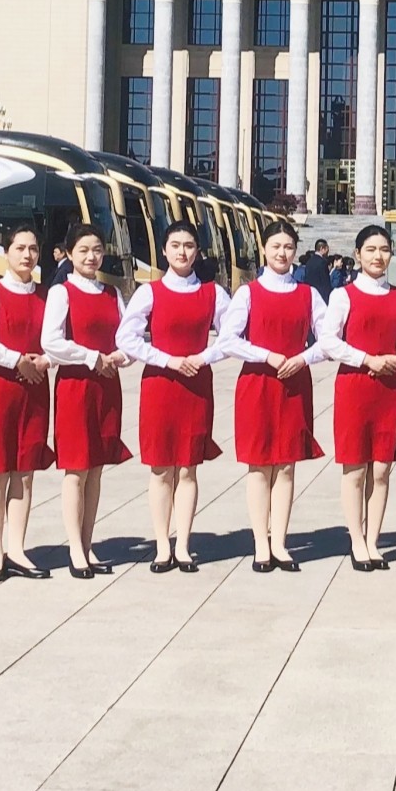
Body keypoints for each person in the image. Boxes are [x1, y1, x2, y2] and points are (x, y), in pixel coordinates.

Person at [215, 220, 325, 572]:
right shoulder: (248, 293)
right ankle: (260, 543)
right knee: (260, 465)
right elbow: (228, 340)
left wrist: (303, 358)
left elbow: (328, 340)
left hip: (294, 384)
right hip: (259, 384)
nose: (282, 253)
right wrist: (267, 355)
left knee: (287, 465)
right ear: (264, 249)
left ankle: (280, 541)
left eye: (288, 247)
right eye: (276, 246)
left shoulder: (308, 294)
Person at [118, 220, 226, 574]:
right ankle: (162, 544)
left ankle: (183, 544)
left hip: (196, 385)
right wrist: (168, 360)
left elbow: (232, 336)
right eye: (176, 245)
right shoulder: (149, 293)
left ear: (198, 251)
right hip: (161, 386)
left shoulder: (213, 293)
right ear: (164, 251)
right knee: (162, 468)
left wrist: (203, 357)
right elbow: (127, 338)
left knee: (189, 468)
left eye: (189, 245)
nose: (182, 251)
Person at [0, 221, 56, 583]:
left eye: (33, 249)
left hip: (35, 389)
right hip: (1, 388)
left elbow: (58, 339)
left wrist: (44, 361)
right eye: (20, 248)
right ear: (6, 252)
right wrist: (16, 359)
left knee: (25, 471)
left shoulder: (47, 295)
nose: (27, 255)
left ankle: (17, 548)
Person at [42, 224, 134, 577]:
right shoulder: (61, 292)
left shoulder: (112, 293)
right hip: (76, 385)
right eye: (83, 250)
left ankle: (88, 542)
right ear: (69, 253)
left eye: (96, 250)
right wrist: (92, 356)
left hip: (107, 385)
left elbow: (128, 336)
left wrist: (120, 356)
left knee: (96, 467)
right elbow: (52, 341)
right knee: (76, 468)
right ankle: (74, 549)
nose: (91, 257)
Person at [315, 223, 396, 570]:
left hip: (389, 388)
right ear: (357, 254)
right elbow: (328, 340)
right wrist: (367, 359)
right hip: (355, 386)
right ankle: (356, 539)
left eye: (384, 249)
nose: (377, 256)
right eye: (370, 250)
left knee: (381, 469)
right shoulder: (344, 295)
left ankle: (373, 539)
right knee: (355, 467)